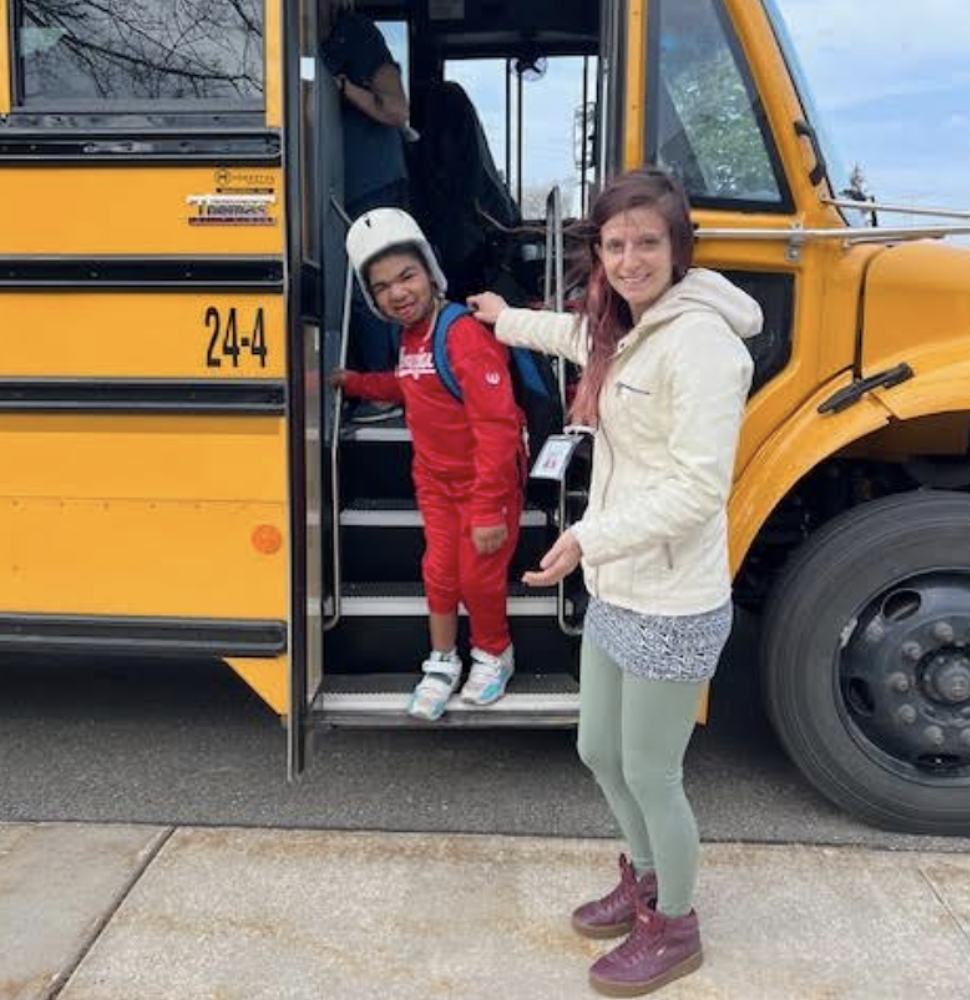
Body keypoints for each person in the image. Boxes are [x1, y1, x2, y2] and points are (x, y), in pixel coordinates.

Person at [468, 168, 762, 996]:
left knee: (651, 771)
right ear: (598, 252)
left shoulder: (701, 343)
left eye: (647, 243)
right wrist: (502, 319)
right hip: (621, 586)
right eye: (615, 243)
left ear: (678, 249)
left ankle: (675, 924)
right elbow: (572, 339)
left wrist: (585, 536)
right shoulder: (624, 327)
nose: (630, 259)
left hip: (673, 596)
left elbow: (701, 489)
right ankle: (642, 880)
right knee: (599, 747)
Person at [331, 207, 525, 720]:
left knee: (479, 579)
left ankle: (493, 654)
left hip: (487, 485)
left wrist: (488, 509)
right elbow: (407, 382)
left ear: (430, 273)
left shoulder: (462, 334)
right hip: (435, 483)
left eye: (407, 276)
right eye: (382, 287)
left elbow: (499, 426)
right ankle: (441, 662)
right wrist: (354, 383)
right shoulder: (412, 337)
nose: (397, 292)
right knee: (438, 572)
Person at [321, 0, 410, 421]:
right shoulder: (325, 36)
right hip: (353, 187)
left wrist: (342, 90)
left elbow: (396, 109)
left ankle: (387, 391)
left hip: (372, 185)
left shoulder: (358, 33)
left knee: (374, 288)